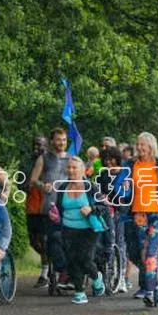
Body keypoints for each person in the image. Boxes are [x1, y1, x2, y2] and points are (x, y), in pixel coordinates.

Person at [110, 132, 158, 308]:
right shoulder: (130, 164)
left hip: (157, 213)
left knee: (150, 253)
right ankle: (155, 286)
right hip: (138, 213)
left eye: (143, 144)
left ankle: (149, 291)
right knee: (139, 253)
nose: (139, 147)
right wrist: (125, 189)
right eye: (138, 144)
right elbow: (118, 188)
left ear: (151, 146)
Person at [52, 157, 107, 304]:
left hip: (89, 228)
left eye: (74, 168)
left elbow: (104, 206)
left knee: (85, 259)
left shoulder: (91, 187)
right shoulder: (62, 187)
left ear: (82, 170)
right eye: (69, 168)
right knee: (72, 260)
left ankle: (96, 277)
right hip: (68, 228)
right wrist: (55, 215)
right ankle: (79, 292)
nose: (71, 171)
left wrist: (91, 208)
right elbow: (58, 209)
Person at [29, 128, 70, 288]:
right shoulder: (44, 158)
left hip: (68, 206)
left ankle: (68, 273)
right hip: (49, 207)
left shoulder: (72, 159)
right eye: (59, 140)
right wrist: (42, 185)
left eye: (64, 140)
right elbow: (33, 180)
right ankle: (55, 271)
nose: (62, 143)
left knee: (67, 240)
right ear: (52, 141)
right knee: (49, 241)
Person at [95, 145, 128, 292]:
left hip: (121, 211)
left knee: (120, 242)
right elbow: (99, 191)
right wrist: (102, 197)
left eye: (111, 159)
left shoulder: (125, 173)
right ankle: (106, 273)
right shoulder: (103, 174)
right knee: (107, 240)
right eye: (106, 160)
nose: (108, 162)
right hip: (107, 211)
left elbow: (127, 193)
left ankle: (121, 278)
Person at [23, 136, 49, 286]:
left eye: (39, 145)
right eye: (34, 145)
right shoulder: (28, 161)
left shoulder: (50, 161)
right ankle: (51, 262)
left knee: (45, 240)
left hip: (46, 207)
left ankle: (45, 273)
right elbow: (22, 181)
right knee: (33, 241)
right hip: (31, 206)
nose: (36, 148)